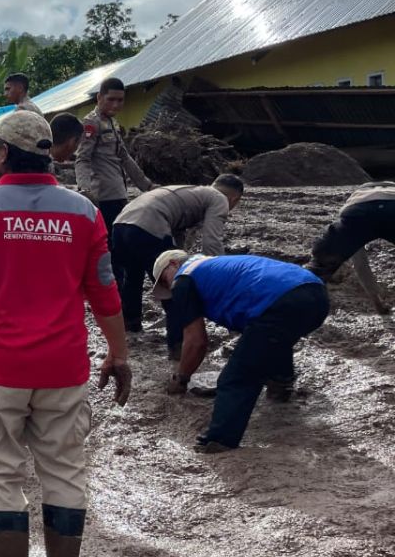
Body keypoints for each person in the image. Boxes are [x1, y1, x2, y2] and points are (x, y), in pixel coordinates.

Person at [0, 111, 131, 557]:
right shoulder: (84, 210)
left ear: (1, 153)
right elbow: (106, 291)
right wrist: (119, 354)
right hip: (63, 368)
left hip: (0, 369)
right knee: (65, 472)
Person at [153, 251, 329, 452]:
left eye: (164, 281)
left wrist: (181, 378)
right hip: (316, 293)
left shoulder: (183, 278)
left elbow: (196, 342)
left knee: (236, 377)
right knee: (273, 339)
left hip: (280, 302)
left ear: (174, 264)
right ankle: (281, 384)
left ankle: (219, 440)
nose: (168, 289)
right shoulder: (215, 265)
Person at [112, 176, 245, 338]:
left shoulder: (192, 192)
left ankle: (131, 328)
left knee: (132, 276)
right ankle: (180, 338)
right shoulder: (220, 199)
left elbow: (178, 237)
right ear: (234, 199)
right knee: (172, 282)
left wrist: (184, 259)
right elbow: (211, 241)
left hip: (120, 224)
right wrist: (220, 275)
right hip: (150, 223)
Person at [75, 77, 154, 242]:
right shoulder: (91, 123)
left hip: (118, 194)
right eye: (111, 99)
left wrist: (147, 185)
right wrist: (85, 191)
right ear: (99, 98)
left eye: (120, 100)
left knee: (121, 243)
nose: (116, 105)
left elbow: (124, 158)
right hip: (103, 198)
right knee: (109, 243)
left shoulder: (113, 123)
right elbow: (83, 159)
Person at [306, 181, 395, 314]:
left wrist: (378, 305)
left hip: (357, 213)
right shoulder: (391, 187)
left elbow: (361, 265)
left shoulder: (358, 195)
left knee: (319, 266)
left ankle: (293, 302)